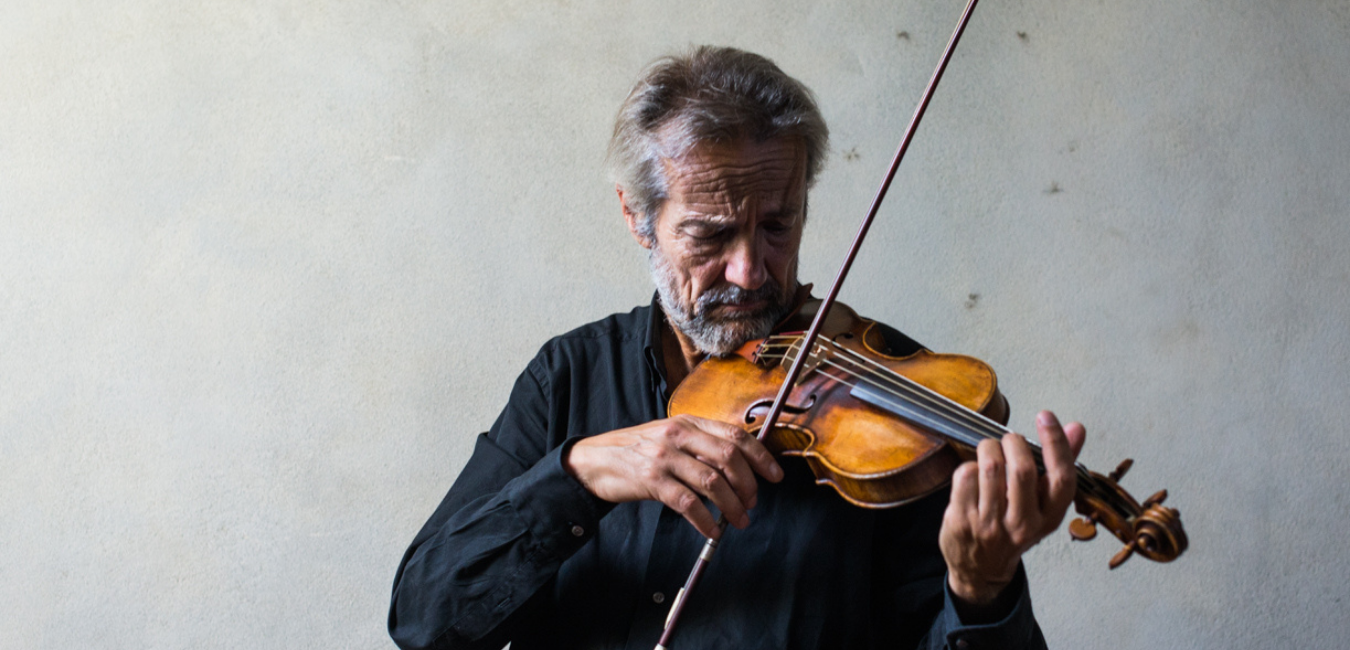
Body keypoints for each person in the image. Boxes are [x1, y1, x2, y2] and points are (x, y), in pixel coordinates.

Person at [388, 46, 1086, 650]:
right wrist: (577, 474)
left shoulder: (900, 407)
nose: (750, 271)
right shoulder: (569, 377)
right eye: (711, 235)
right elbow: (425, 621)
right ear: (638, 217)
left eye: (778, 226)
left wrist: (980, 592)